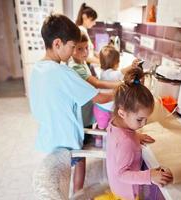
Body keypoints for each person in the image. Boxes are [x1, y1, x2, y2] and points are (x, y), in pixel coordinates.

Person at [29, 14, 112, 193]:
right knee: (71, 172)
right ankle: (78, 193)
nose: (74, 51)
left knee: (60, 181)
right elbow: (99, 98)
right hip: (65, 142)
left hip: (49, 139)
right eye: (72, 46)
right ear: (57, 43)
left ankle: (74, 192)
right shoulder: (62, 72)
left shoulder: (37, 69)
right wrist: (122, 90)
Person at [106, 68, 174, 200]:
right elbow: (122, 174)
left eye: (146, 119)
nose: (143, 124)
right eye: (139, 119)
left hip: (116, 186)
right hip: (126, 194)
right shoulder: (126, 142)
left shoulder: (115, 124)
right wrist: (150, 176)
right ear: (122, 113)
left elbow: (119, 142)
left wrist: (136, 136)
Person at [69, 33, 121, 129]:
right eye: (80, 49)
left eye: (86, 48)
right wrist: (119, 85)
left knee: (90, 129)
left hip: (86, 107)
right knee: (84, 133)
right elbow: (96, 83)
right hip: (81, 110)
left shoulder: (81, 61)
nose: (85, 52)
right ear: (71, 49)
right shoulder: (75, 67)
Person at [94, 45, 137, 130]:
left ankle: (98, 140)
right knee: (107, 128)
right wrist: (132, 66)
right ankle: (104, 141)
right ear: (115, 63)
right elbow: (122, 71)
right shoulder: (112, 74)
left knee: (101, 127)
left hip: (100, 108)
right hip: (107, 109)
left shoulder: (103, 72)